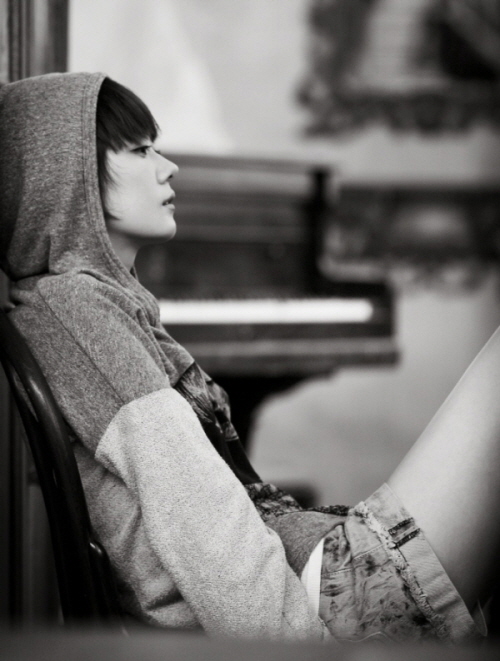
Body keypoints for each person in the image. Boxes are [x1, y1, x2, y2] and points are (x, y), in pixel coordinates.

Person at [0, 72, 495, 643]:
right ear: (68, 181)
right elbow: (199, 516)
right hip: (319, 607)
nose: (168, 167)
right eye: (139, 151)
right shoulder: (78, 312)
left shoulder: (100, 302)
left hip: (308, 569)